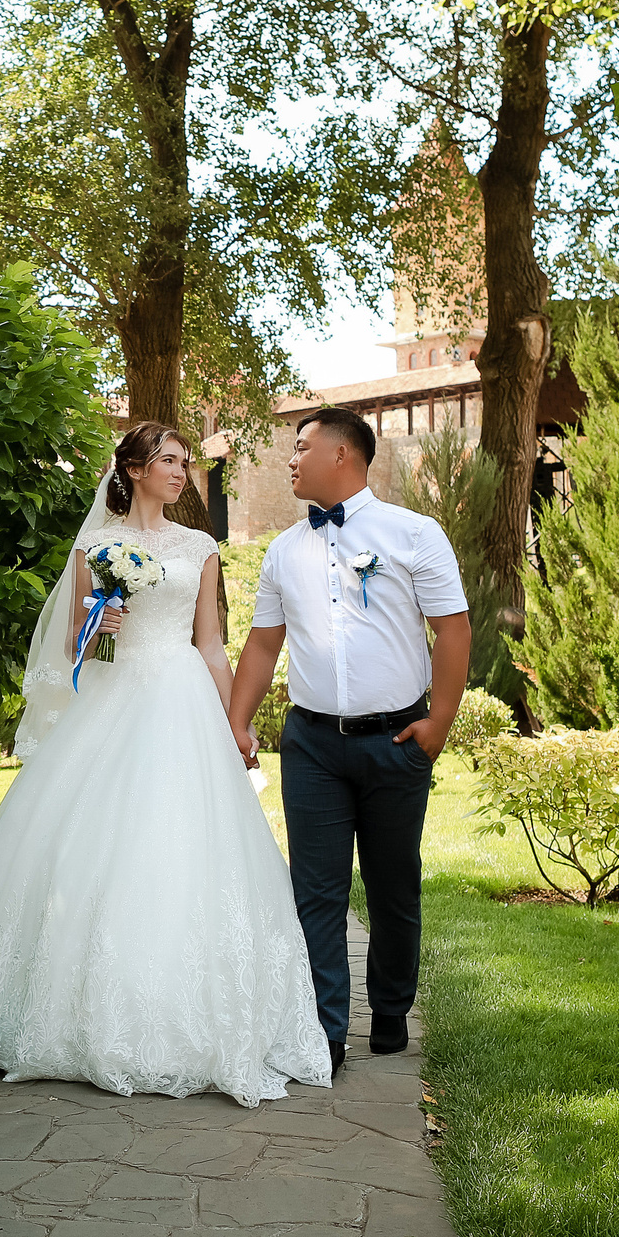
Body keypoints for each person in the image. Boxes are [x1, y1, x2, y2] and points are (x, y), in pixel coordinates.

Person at [0, 422, 330, 1105]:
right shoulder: (96, 547)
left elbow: (213, 645)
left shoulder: (201, 546)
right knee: (98, 846)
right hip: (114, 697)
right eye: (168, 460)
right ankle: (74, 1012)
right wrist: (97, 628)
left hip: (182, 699)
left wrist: (233, 724)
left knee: (186, 848)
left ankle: (184, 1015)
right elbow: (77, 644)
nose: (181, 471)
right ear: (130, 470)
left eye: (185, 462)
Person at [228, 408, 470, 1075]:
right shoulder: (283, 550)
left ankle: (389, 1012)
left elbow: (453, 629)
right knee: (316, 890)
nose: (291, 459)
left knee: (393, 886)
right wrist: (238, 721)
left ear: (342, 454)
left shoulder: (414, 534)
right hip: (310, 744)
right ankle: (325, 1030)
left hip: (396, 740)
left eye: (301, 447)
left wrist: (438, 722)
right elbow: (263, 643)